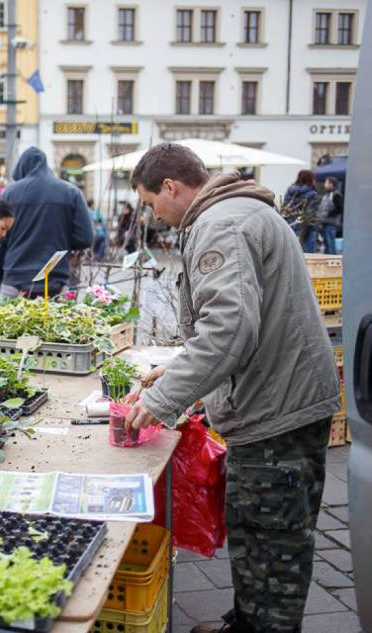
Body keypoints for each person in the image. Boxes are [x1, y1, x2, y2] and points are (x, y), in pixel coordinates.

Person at [124, 143, 341, 633]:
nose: (152, 214)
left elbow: (229, 331)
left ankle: (265, 625)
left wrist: (161, 401)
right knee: (259, 535)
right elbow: (239, 323)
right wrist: (182, 372)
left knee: (273, 540)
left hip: (277, 412)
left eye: (150, 201)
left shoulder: (221, 225)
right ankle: (249, 620)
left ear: (172, 187)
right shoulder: (234, 212)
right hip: (279, 398)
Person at [0, 147, 93, 298]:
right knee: (58, 321)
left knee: (9, 320)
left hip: (15, 277)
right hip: (56, 277)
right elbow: (85, 238)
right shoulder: (71, 192)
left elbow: (0, 237)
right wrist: (62, 242)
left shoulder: (9, 193)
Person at [283, 170, 320, 253]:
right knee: (308, 256)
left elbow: (286, 208)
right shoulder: (312, 193)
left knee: (293, 254)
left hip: (291, 225)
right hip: (308, 227)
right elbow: (310, 213)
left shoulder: (289, 191)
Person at [317, 177, 344, 255]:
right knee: (326, 243)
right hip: (325, 222)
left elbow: (340, 208)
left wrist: (328, 214)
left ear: (331, 184)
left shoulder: (336, 195)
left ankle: (332, 260)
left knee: (330, 243)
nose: (325, 185)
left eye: (326, 183)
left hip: (331, 223)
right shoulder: (326, 195)